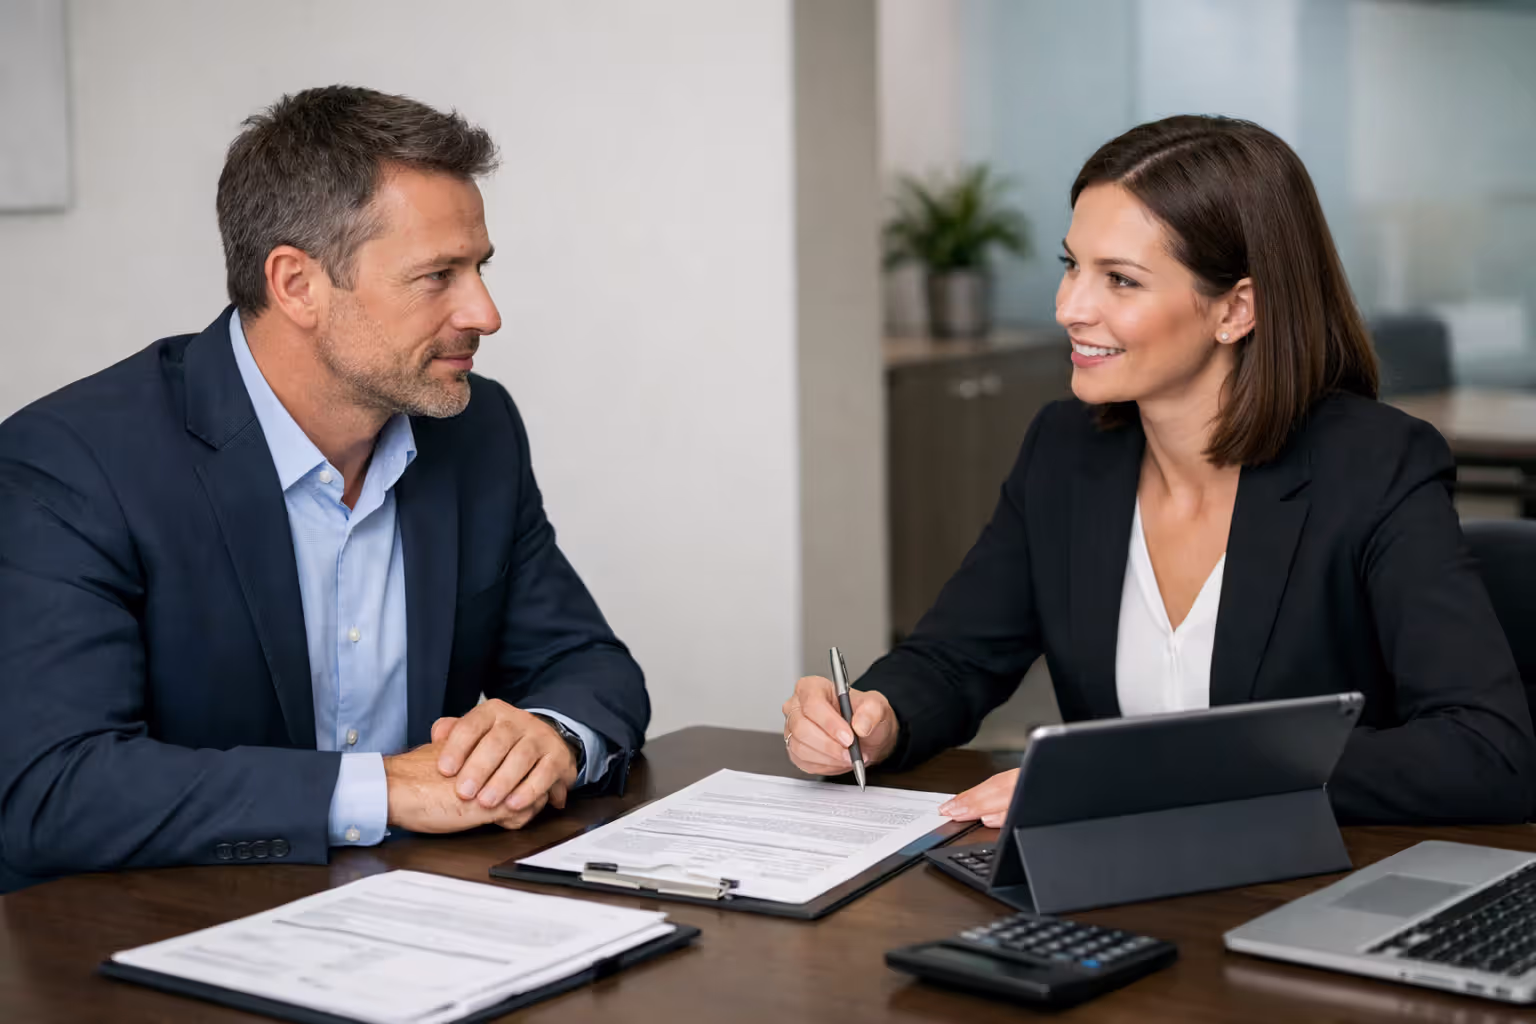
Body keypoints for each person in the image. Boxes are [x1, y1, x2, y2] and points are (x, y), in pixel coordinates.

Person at [782, 115, 1535, 826]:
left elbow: (1488, 752)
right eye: (1072, 266)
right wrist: (879, 714)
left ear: (1236, 309)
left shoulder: (1372, 465)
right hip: (1112, 900)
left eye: (1121, 280)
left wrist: (1149, 777)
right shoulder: (1066, 450)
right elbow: (955, 656)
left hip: (1303, 901)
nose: (1070, 307)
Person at [0, 86, 648, 891]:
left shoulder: (476, 431)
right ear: (297, 284)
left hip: (417, 924)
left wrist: (549, 736)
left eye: (479, 268)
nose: (485, 311)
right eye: (438, 275)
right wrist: (387, 790)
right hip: (166, 944)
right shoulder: (73, 463)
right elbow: (53, 791)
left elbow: (588, 664)